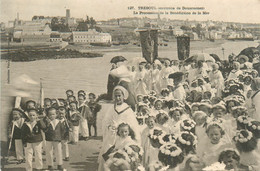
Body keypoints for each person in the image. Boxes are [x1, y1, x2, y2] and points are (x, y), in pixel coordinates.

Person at [98, 86, 141, 171]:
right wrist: (110, 126)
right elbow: (106, 121)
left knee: (123, 156)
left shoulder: (128, 109)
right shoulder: (111, 108)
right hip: (112, 135)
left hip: (123, 134)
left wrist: (123, 127)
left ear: (123, 96)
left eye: (119, 96)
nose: (118, 98)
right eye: (116, 96)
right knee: (109, 153)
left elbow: (132, 124)